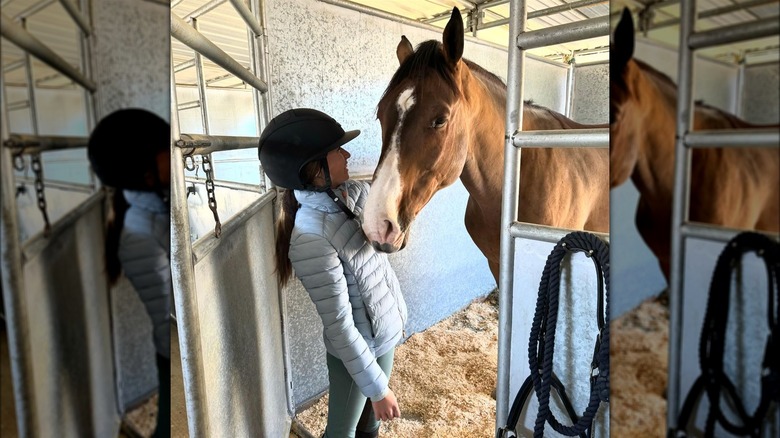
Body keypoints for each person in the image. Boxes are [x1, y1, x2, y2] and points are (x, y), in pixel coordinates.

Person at [259, 108, 408, 438]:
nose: (347, 154)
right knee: (342, 431)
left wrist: (393, 240)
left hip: (382, 332)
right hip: (355, 350)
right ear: (313, 170)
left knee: (371, 423)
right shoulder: (310, 238)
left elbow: (381, 251)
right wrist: (378, 390)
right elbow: (340, 326)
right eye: (337, 150)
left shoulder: (356, 194)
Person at [87, 108, 171, 438]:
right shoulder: (138, 237)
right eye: (165, 148)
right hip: (169, 348)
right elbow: (166, 315)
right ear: (145, 173)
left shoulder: (157, 205)